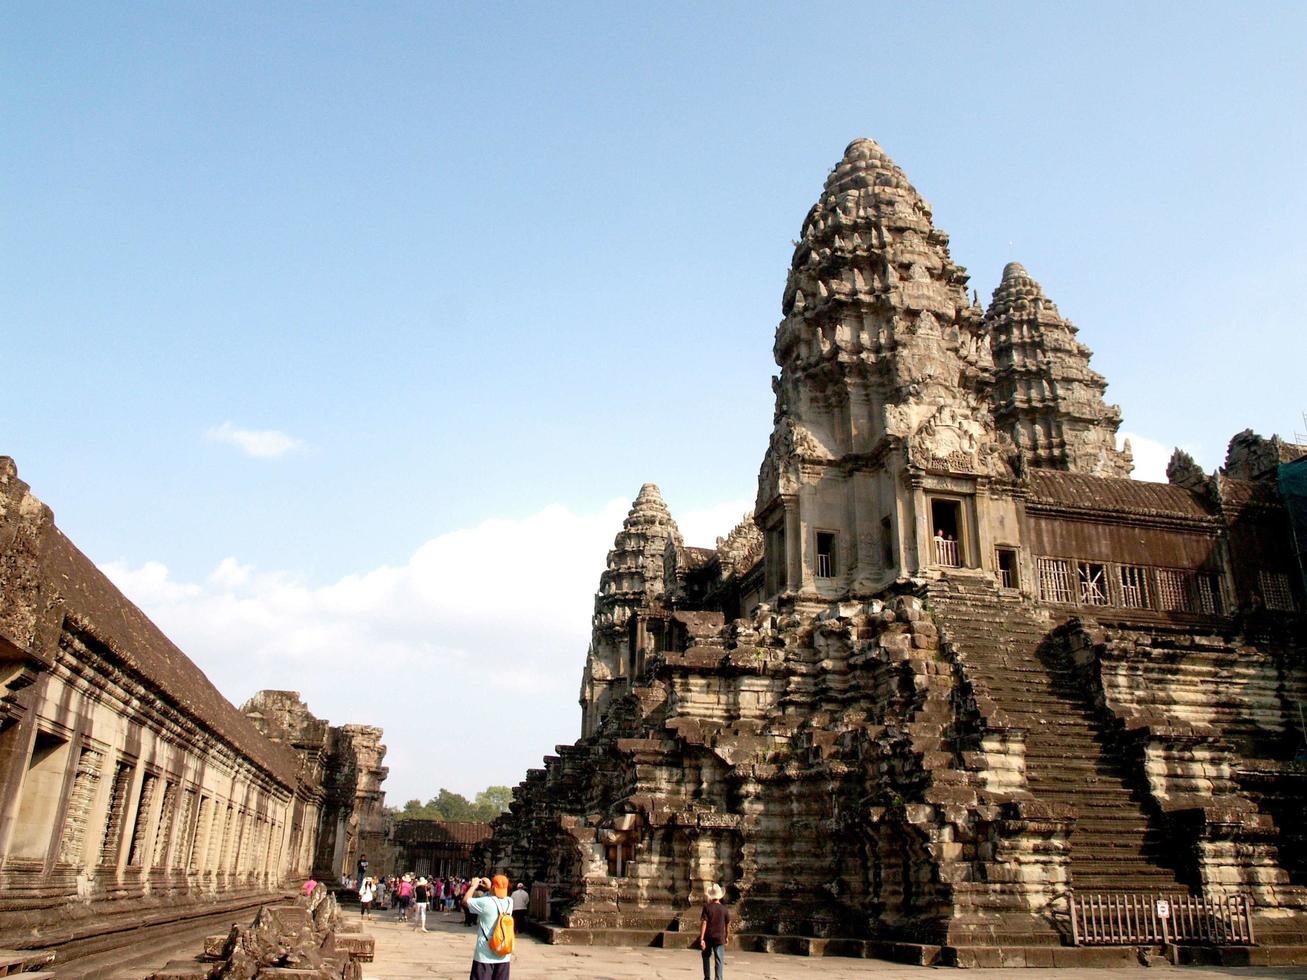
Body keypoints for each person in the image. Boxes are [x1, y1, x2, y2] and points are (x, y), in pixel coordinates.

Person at [463, 874, 513, 979]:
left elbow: (465, 901)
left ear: (494, 888)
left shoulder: (486, 902)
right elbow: (497, 897)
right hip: (503, 953)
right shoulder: (510, 901)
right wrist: (491, 887)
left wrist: (473, 886)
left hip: (485, 953)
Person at [698, 883, 729, 980]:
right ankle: (718, 978)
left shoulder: (707, 907)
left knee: (706, 956)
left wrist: (702, 938)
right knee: (719, 959)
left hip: (708, 936)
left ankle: (707, 977)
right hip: (719, 937)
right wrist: (727, 936)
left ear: (711, 896)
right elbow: (727, 925)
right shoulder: (724, 909)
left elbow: (704, 923)